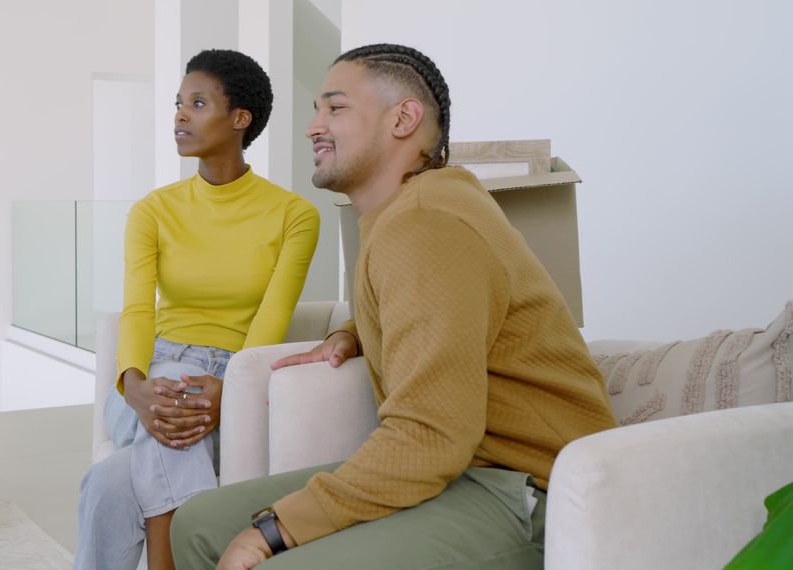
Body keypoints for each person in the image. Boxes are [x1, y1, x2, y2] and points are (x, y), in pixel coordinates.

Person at [170, 43, 617, 570]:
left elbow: (431, 437)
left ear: (403, 118)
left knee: (271, 559)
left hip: (531, 495)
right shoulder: (413, 212)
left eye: (335, 108)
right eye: (317, 110)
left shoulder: (427, 222)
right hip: (464, 474)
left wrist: (276, 530)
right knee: (199, 524)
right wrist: (356, 331)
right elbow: (443, 303)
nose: (313, 126)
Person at [73, 49, 320, 570]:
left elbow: (271, 320)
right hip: (150, 374)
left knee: (108, 484)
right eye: (178, 104)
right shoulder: (153, 210)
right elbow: (138, 310)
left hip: (232, 376)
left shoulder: (293, 214)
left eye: (198, 102)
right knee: (175, 393)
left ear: (240, 118)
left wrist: (233, 389)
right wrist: (134, 384)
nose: (180, 115)